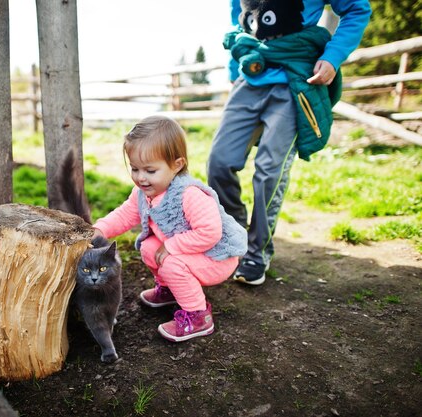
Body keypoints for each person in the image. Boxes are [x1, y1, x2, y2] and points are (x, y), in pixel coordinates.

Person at [207, 0, 371, 286]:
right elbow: (239, 16)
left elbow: (357, 8)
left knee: (270, 170)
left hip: (294, 79)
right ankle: (235, 237)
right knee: (219, 162)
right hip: (250, 78)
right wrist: (236, 70)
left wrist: (333, 56)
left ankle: (257, 253)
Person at [91, 115, 247, 342]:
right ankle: (171, 289)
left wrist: (172, 245)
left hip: (216, 256)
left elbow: (209, 232)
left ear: (177, 165)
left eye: (150, 171)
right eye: (135, 169)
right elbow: (126, 214)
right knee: (148, 246)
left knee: (171, 262)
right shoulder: (144, 193)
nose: (141, 178)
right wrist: (101, 229)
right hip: (191, 250)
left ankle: (198, 316)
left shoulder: (190, 194)